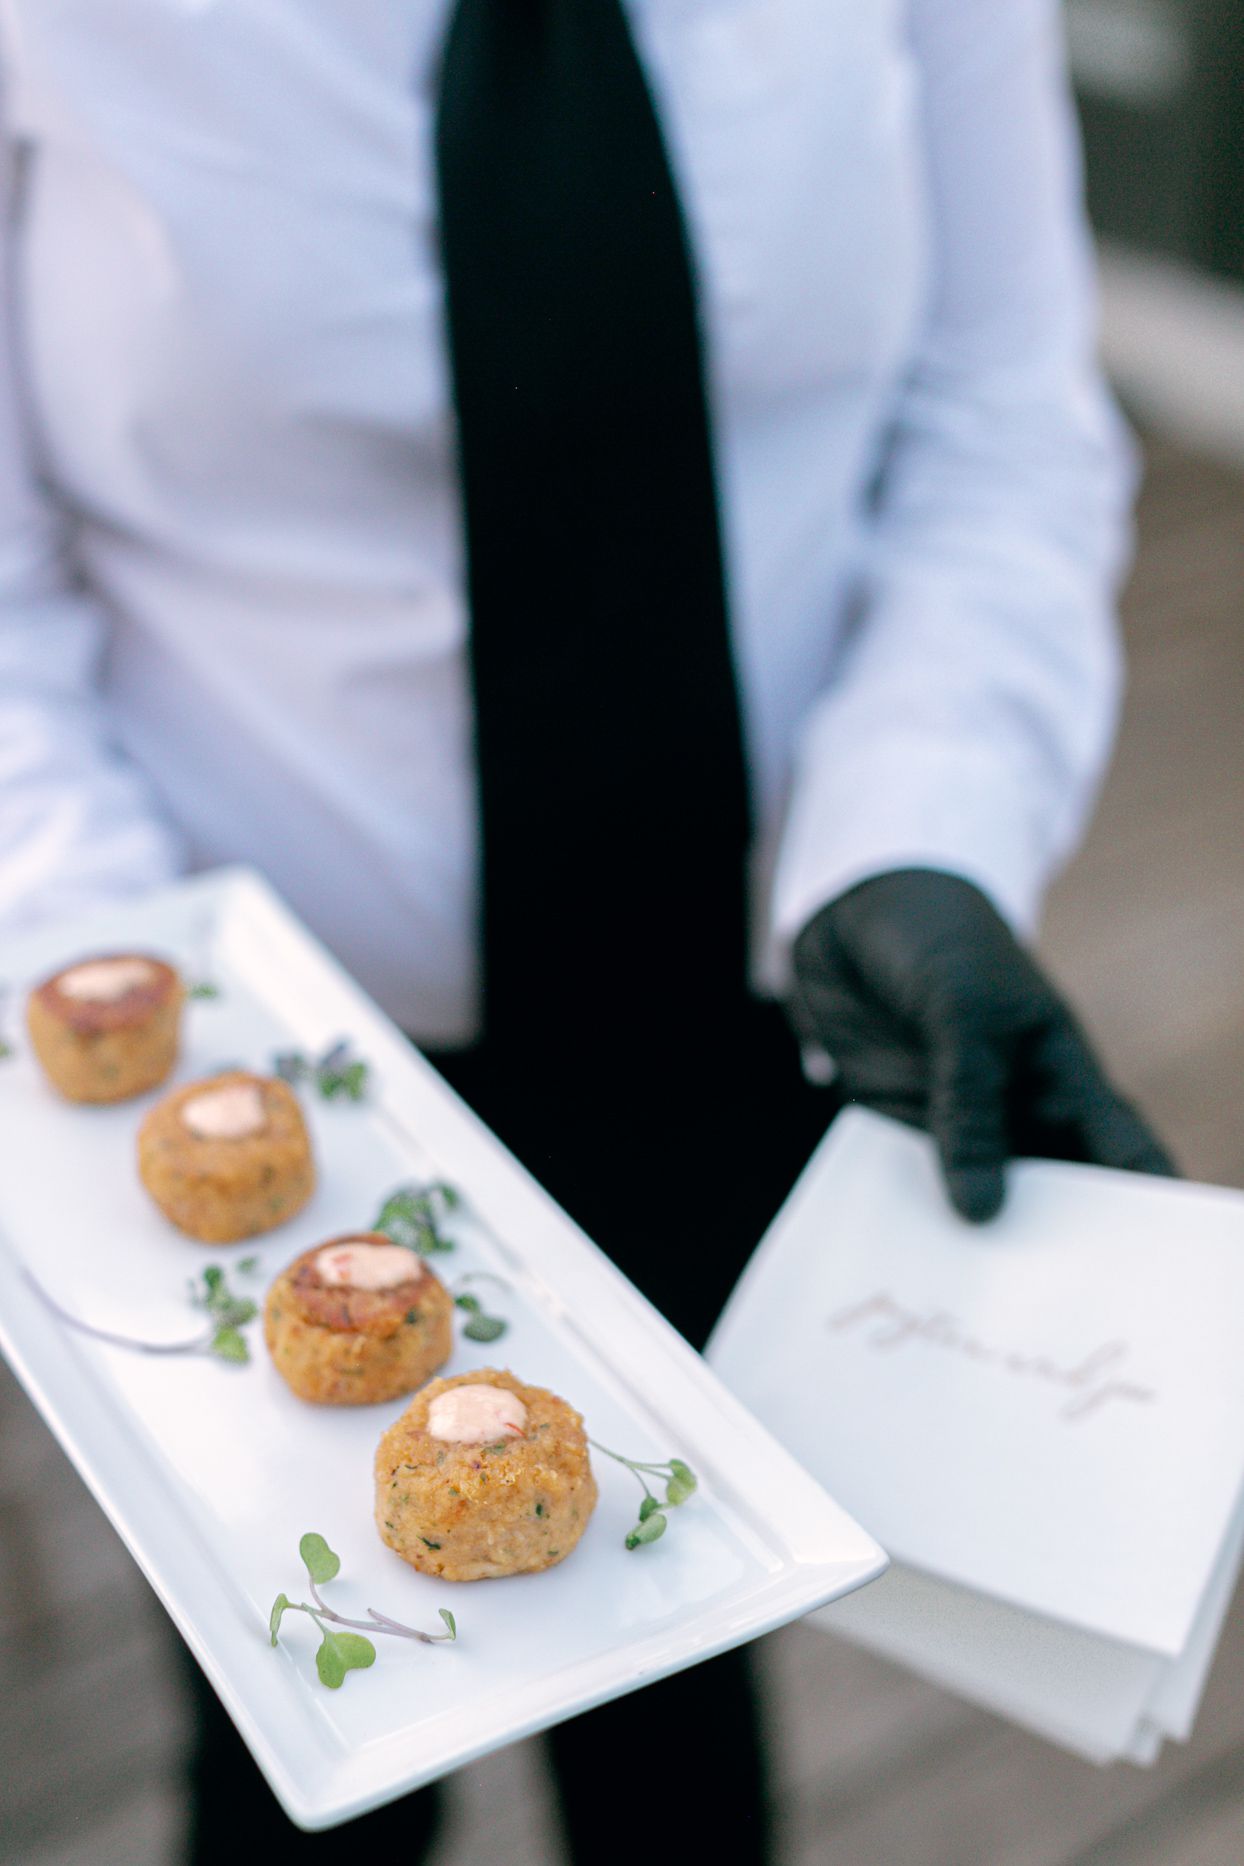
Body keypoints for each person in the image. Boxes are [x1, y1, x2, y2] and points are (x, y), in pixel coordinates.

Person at [0, 2, 1172, 1861]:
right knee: (306, 1734)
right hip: (243, 1099)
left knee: (693, 1636)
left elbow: (997, 419)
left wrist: (921, 838)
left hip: (757, 992)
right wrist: (136, 994)